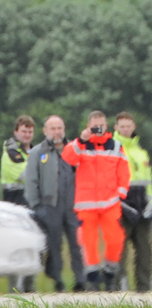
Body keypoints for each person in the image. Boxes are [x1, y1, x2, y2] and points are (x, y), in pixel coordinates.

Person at [61, 110, 130, 291]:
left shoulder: (116, 145)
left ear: (107, 126)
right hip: (86, 203)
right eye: (95, 126)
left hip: (110, 202)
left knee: (116, 238)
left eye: (101, 125)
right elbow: (68, 157)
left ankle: (109, 272)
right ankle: (92, 277)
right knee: (88, 242)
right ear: (88, 126)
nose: (98, 129)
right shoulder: (80, 145)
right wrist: (82, 140)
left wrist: (120, 194)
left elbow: (124, 172)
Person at [23, 115, 86, 292]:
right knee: (54, 245)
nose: (57, 132)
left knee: (77, 244)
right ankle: (58, 281)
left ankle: (80, 280)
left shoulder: (74, 149)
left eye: (59, 128)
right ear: (45, 131)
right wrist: (37, 207)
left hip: (74, 206)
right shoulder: (38, 152)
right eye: (53, 129)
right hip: (50, 206)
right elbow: (31, 181)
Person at [113, 113, 152, 292]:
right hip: (121, 206)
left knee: (145, 251)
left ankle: (145, 289)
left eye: (128, 126)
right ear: (116, 128)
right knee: (118, 252)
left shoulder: (141, 152)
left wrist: (151, 204)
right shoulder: (112, 149)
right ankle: (118, 289)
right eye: (122, 126)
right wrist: (121, 204)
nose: (125, 129)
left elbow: (148, 183)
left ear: (134, 126)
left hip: (142, 204)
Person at [3, 116, 35, 293]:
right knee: (16, 250)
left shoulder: (32, 152)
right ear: (16, 132)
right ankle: (14, 291)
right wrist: (36, 166)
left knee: (31, 248)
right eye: (24, 131)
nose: (27, 135)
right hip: (14, 207)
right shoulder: (10, 151)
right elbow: (21, 174)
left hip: (30, 206)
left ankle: (30, 289)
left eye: (30, 131)